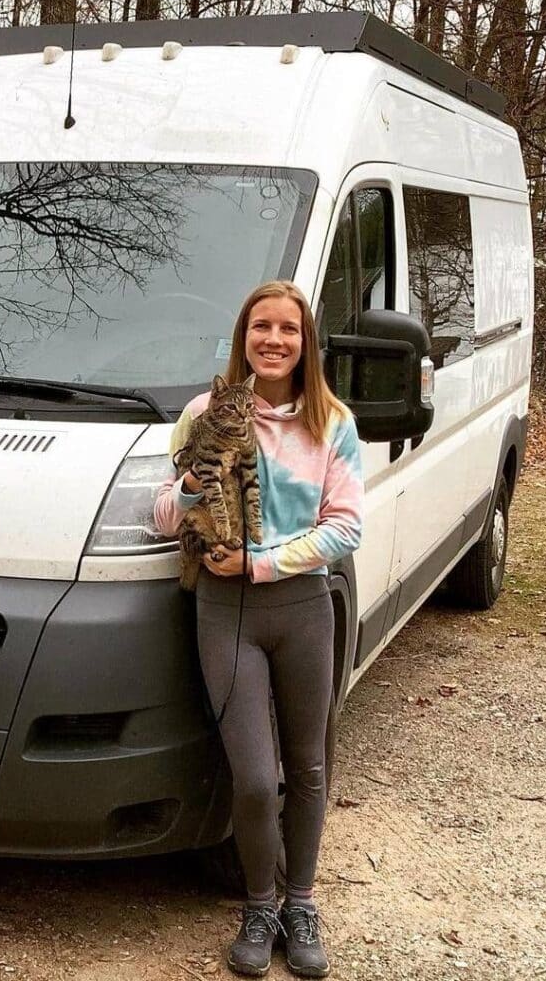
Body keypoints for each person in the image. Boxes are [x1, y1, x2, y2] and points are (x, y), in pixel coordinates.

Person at [153, 280, 364, 979]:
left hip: (301, 607)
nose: (274, 340)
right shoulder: (202, 413)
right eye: (261, 327)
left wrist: (263, 561)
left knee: (306, 768)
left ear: (307, 343)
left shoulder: (333, 424)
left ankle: (301, 903)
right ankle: (260, 903)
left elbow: (345, 529)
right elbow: (159, 513)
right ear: (244, 335)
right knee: (251, 778)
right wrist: (189, 489)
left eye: (289, 330)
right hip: (224, 611)